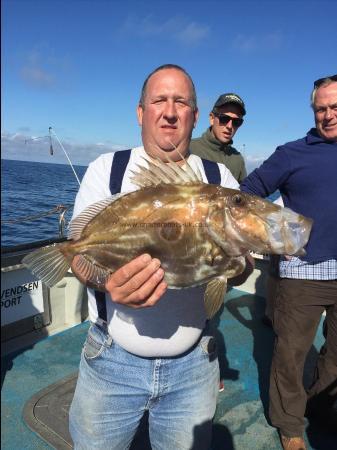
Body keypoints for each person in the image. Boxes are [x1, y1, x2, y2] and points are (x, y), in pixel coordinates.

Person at [68, 64, 250, 450]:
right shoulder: (108, 170)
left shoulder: (219, 181)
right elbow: (80, 256)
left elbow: (239, 265)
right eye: (159, 100)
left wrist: (238, 264)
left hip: (194, 365)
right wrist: (106, 281)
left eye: (181, 102)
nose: (170, 111)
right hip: (111, 362)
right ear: (141, 112)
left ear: (195, 115)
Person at [240, 75, 337, 450]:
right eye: (321, 109)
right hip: (304, 274)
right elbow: (247, 194)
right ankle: (290, 423)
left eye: (334, 108)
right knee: (290, 354)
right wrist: (282, 234)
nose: (328, 115)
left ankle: (322, 408)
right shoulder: (292, 153)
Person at [190, 92, 247, 182]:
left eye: (237, 122)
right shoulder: (188, 149)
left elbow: (243, 194)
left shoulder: (238, 160)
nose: (229, 126)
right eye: (224, 119)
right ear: (212, 118)